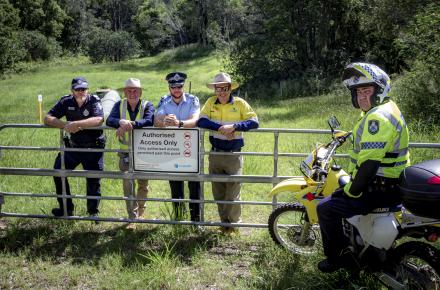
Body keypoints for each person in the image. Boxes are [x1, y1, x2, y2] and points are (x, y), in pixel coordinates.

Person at [316, 63, 410, 272]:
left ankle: (338, 258)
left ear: (380, 90)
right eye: (358, 91)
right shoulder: (387, 109)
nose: (361, 96)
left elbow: (368, 166)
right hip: (391, 184)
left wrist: (352, 190)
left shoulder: (376, 117)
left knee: (324, 208)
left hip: (378, 188)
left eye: (367, 91)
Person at [197, 72, 259, 234]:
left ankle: (234, 225)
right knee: (218, 191)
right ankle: (224, 224)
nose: (222, 92)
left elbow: (254, 122)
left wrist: (234, 127)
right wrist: (220, 128)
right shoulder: (210, 102)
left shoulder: (240, 104)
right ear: (215, 90)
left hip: (233, 154)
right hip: (215, 154)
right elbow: (201, 120)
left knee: (233, 192)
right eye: (218, 89)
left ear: (230, 88)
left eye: (225, 88)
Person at [45, 77, 105, 218]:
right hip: (73, 147)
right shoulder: (66, 101)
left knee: (93, 179)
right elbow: (47, 118)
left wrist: (77, 124)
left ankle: (92, 212)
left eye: (83, 89)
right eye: (77, 89)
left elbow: (99, 119)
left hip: (93, 147)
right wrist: (65, 125)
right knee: (58, 172)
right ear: (72, 91)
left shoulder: (94, 100)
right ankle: (66, 209)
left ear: (87, 89)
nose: (81, 92)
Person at [106, 78, 154, 228]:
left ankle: (141, 212)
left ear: (140, 92)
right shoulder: (119, 105)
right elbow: (109, 120)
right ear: (125, 92)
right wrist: (120, 122)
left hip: (144, 152)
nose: (132, 93)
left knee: (143, 185)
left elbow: (149, 120)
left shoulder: (147, 105)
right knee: (128, 185)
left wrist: (130, 125)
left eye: (135, 90)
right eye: (129, 91)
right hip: (125, 153)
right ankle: (131, 217)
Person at [154, 72, 201, 223]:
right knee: (175, 184)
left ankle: (195, 220)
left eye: (179, 86)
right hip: (173, 148)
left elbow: (195, 120)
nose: (177, 89)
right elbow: (157, 119)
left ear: (183, 86)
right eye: (173, 86)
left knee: (194, 184)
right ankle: (179, 218)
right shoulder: (164, 100)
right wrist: (165, 120)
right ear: (169, 87)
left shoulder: (193, 100)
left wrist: (178, 123)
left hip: (191, 147)